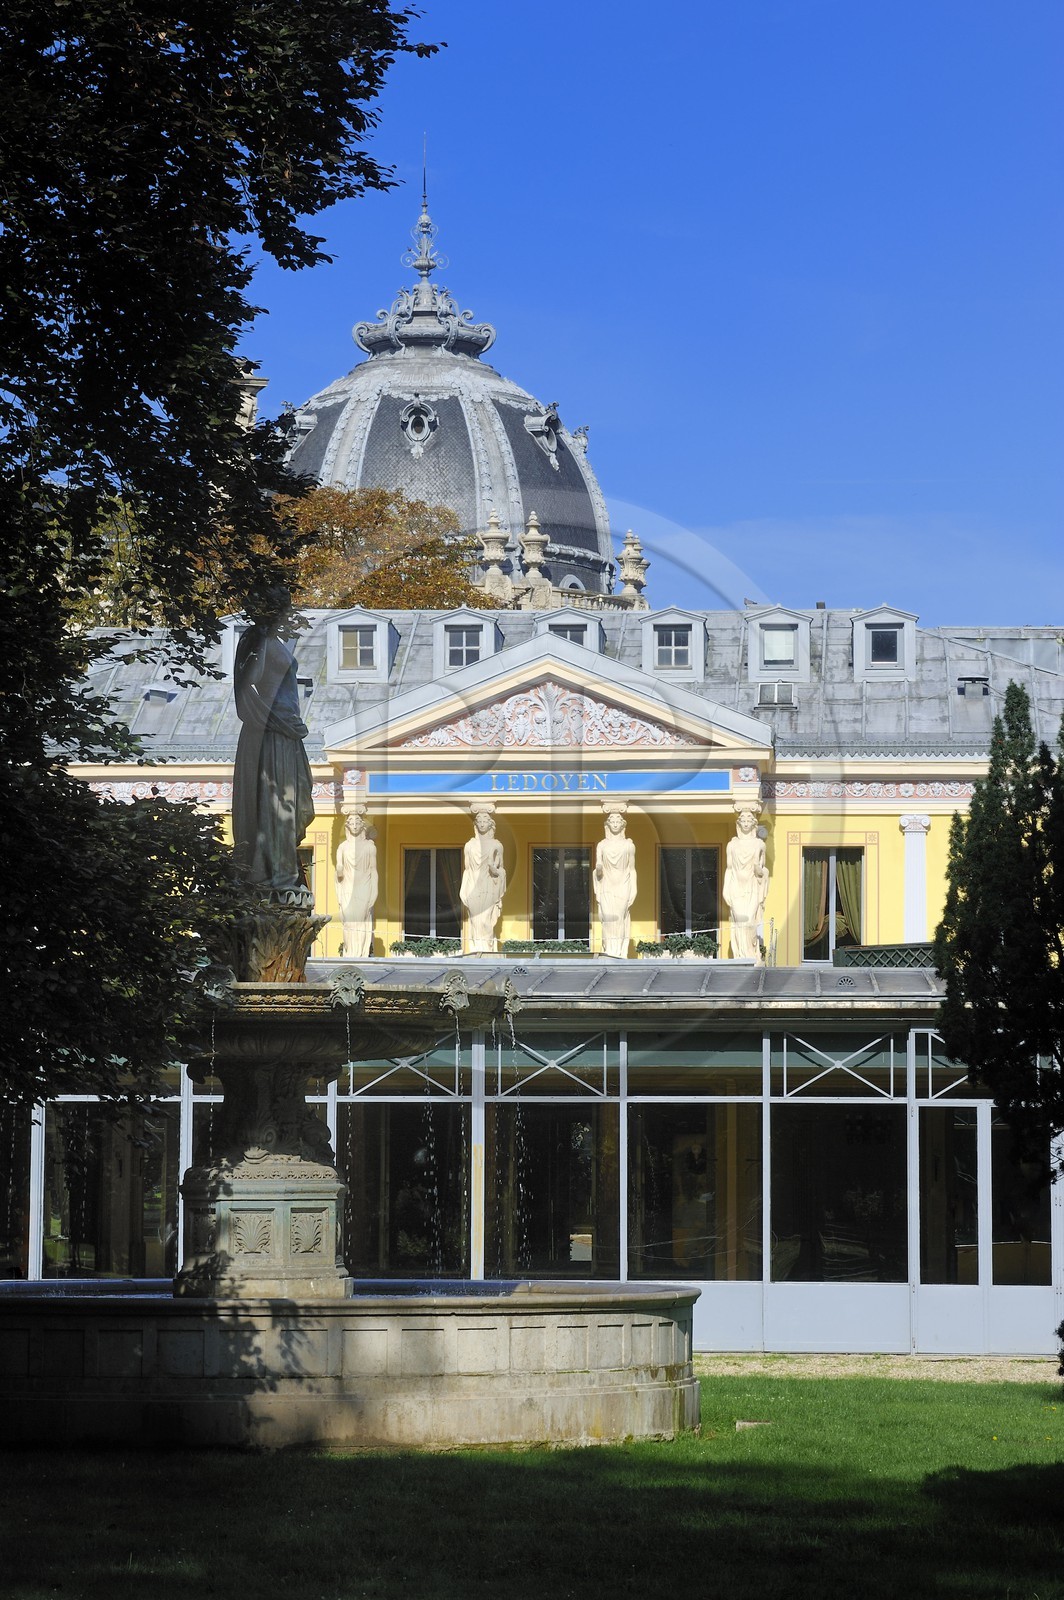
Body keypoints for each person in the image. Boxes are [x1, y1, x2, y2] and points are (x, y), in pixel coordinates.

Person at [232, 587, 314, 896]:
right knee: (277, 803)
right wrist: (268, 717)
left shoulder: (271, 641)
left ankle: (281, 872)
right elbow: (245, 686)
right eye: (282, 606)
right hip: (270, 734)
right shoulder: (256, 640)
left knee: (288, 804)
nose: (287, 612)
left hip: (285, 732)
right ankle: (271, 874)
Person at [723, 804, 769, 960]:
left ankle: (750, 954)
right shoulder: (732, 845)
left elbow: (762, 871)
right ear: (739, 823)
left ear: (754, 823)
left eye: (749, 820)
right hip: (736, 887)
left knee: (749, 920)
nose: (746, 823)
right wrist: (725, 890)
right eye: (743, 820)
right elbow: (729, 869)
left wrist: (758, 869)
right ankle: (741, 956)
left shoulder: (759, 844)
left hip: (752, 887)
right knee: (739, 921)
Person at [460, 804, 506, 953]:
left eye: (485, 821)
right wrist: (464, 890)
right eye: (479, 821)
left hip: (488, 886)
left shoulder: (497, 846)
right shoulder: (469, 846)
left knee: (485, 921)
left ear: (490, 824)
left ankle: (486, 951)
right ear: (475, 824)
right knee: (474, 921)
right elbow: (467, 869)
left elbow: (501, 871)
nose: (481, 824)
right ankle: (475, 951)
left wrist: (495, 870)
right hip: (473, 886)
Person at [594, 805, 637, 957]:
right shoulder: (602, 845)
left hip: (623, 884)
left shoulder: (628, 846)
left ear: (622, 824)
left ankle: (618, 952)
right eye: (612, 822)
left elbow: (632, 869)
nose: (615, 825)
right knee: (607, 918)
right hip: (606, 884)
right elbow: (598, 867)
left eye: (618, 822)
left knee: (619, 917)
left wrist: (634, 889)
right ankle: (609, 950)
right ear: (607, 825)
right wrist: (598, 869)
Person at [335, 810, 378, 958]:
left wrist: (375, 892)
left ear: (362, 825)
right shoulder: (342, 847)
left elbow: (374, 871)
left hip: (364, 887)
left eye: (357, 823)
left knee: (360, 920)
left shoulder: (369, 847)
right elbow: (339, 871)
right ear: (347, 826)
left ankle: (360, 954)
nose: (354, 826)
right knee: (348, 922)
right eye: (351, 823)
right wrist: (339, 870)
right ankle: (349, 953)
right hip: (347, 887)